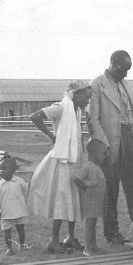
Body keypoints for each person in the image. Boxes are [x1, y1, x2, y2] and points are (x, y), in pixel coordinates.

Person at [88, 50, 133, 245]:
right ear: (113, 64)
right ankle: (112, 232)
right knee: (110, 187)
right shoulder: (97, 84)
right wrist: (101, 143)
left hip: (129, 136)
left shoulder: (125, 84)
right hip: (109, 140)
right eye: (124, 68)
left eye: (129, 69)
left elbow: (130, 113)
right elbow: (92, 119)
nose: (126, 73)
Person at [28, 80, 92, 254]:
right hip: (62, 161)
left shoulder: (77, 111)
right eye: (86, 98)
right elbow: (35, 116)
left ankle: (70, 238)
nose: (88, 101)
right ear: (76, 93)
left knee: (74, 197)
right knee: (62, 199)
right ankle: (54, 241)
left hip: (75, 159)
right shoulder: (61, 107)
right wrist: (52, 136)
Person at [72, 139, 107, 256]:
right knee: (90, 224)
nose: (104, 157)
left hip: (96, 201)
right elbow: (76, 178)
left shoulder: (97, 167)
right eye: (102, 153)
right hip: (90, 201)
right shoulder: (87, 166)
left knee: (93, 223)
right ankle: (88, 247)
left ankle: (93, 245)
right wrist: (85, 187)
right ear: (93, 152)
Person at [0, 157, 30, 255]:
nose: (1, 171)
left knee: (20, 228)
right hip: (6, 213)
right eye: (0, 169)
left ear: (13, 170)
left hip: (19, 211)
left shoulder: (19, 181)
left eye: (4, 169)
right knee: (7, 231)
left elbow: (26, 191)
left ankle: (22, 245)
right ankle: (10, 248)